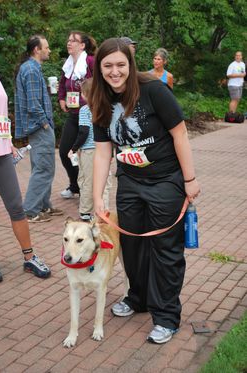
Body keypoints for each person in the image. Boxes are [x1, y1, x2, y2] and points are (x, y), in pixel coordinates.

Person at [90, 38, 200, 344]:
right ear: (100, 68)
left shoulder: (153, 90)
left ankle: (166, 317)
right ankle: (137, 297)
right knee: (133, 246)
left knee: (165, 250)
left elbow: (180, 134)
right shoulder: (99, 99)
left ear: (130, 64)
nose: (115, 72)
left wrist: (189, 180)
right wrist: (97, 197)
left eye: (120, 65)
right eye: (108, 65)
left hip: (166, 181)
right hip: (130, 182)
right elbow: (102, 152)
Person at [0, 35, 51, 281]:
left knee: (16, 207)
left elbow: (1, 116)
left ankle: (29, 258)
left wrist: (7, 143)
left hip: (1, 153)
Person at [15, 34, 63, 223]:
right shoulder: (32, 70)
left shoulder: (29, 68)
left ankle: (43, 206)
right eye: (46, 47)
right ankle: (31, 210)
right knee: (44, 169)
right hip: (39, 127)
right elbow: (33, 104)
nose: (49, 50)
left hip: (36, 127)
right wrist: (45, 123)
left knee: (41, 166)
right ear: (37, 49)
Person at [58, 31, 96, 199]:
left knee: (89, 154)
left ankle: (92, 189)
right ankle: (75, 186)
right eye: (68, 39)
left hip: (90, 115)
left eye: (73, 40)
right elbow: (61, 85)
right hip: (74, 115)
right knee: (64, 151)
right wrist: (61, 99)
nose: (69, 42)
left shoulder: (90, 61)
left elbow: (101, 83)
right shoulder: (67, 65)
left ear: (82, 45)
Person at [68, 78, 111, 222]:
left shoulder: (85, 110)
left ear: (87, 94)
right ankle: (103, 211)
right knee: (104, 181)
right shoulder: (105, 108)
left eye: (82, 93)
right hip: (104, 150)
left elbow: (83, 132)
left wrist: (73, 149)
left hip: (89, 151)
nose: (81, 96)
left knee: (87, 181)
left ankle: (85, 211)